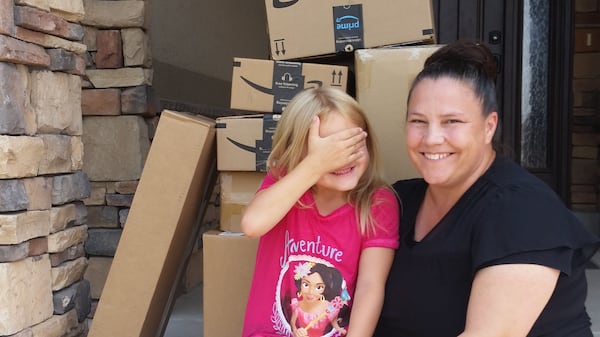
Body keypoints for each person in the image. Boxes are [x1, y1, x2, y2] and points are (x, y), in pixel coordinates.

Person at [374, 39, 600, 337]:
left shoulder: (523, 211)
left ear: (488, 126)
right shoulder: (400, 200)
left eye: (451, 121)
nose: (431, 138)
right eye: (418, 121)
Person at [241, 87, 400, 337]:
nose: (341, 160)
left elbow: (371, 285)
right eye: (327, 151)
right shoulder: (285, 183)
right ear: (298, 155)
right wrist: (315, 165)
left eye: (351, 146)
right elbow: (252, 225)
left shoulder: (377, 202)